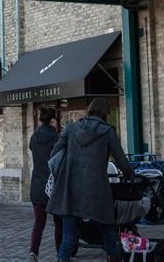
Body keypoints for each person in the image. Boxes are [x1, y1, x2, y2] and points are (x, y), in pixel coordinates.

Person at [47, 98, 135, 262]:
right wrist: (130, 175)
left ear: (90, 110)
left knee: (68, 239)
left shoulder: (71, 128)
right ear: (105, 113)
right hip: (97, 191)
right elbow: (122, 161)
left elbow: (54, 154)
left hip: (70, 191)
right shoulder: (108, 131)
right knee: (109, 234)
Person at [28, 107, 62, 261]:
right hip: (53, 185)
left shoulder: (34, 137)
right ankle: (60, 254)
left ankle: (33, 253)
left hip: (37, 185)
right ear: (53, 120)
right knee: (59, 222)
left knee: (39, 222)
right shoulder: (56, 137)